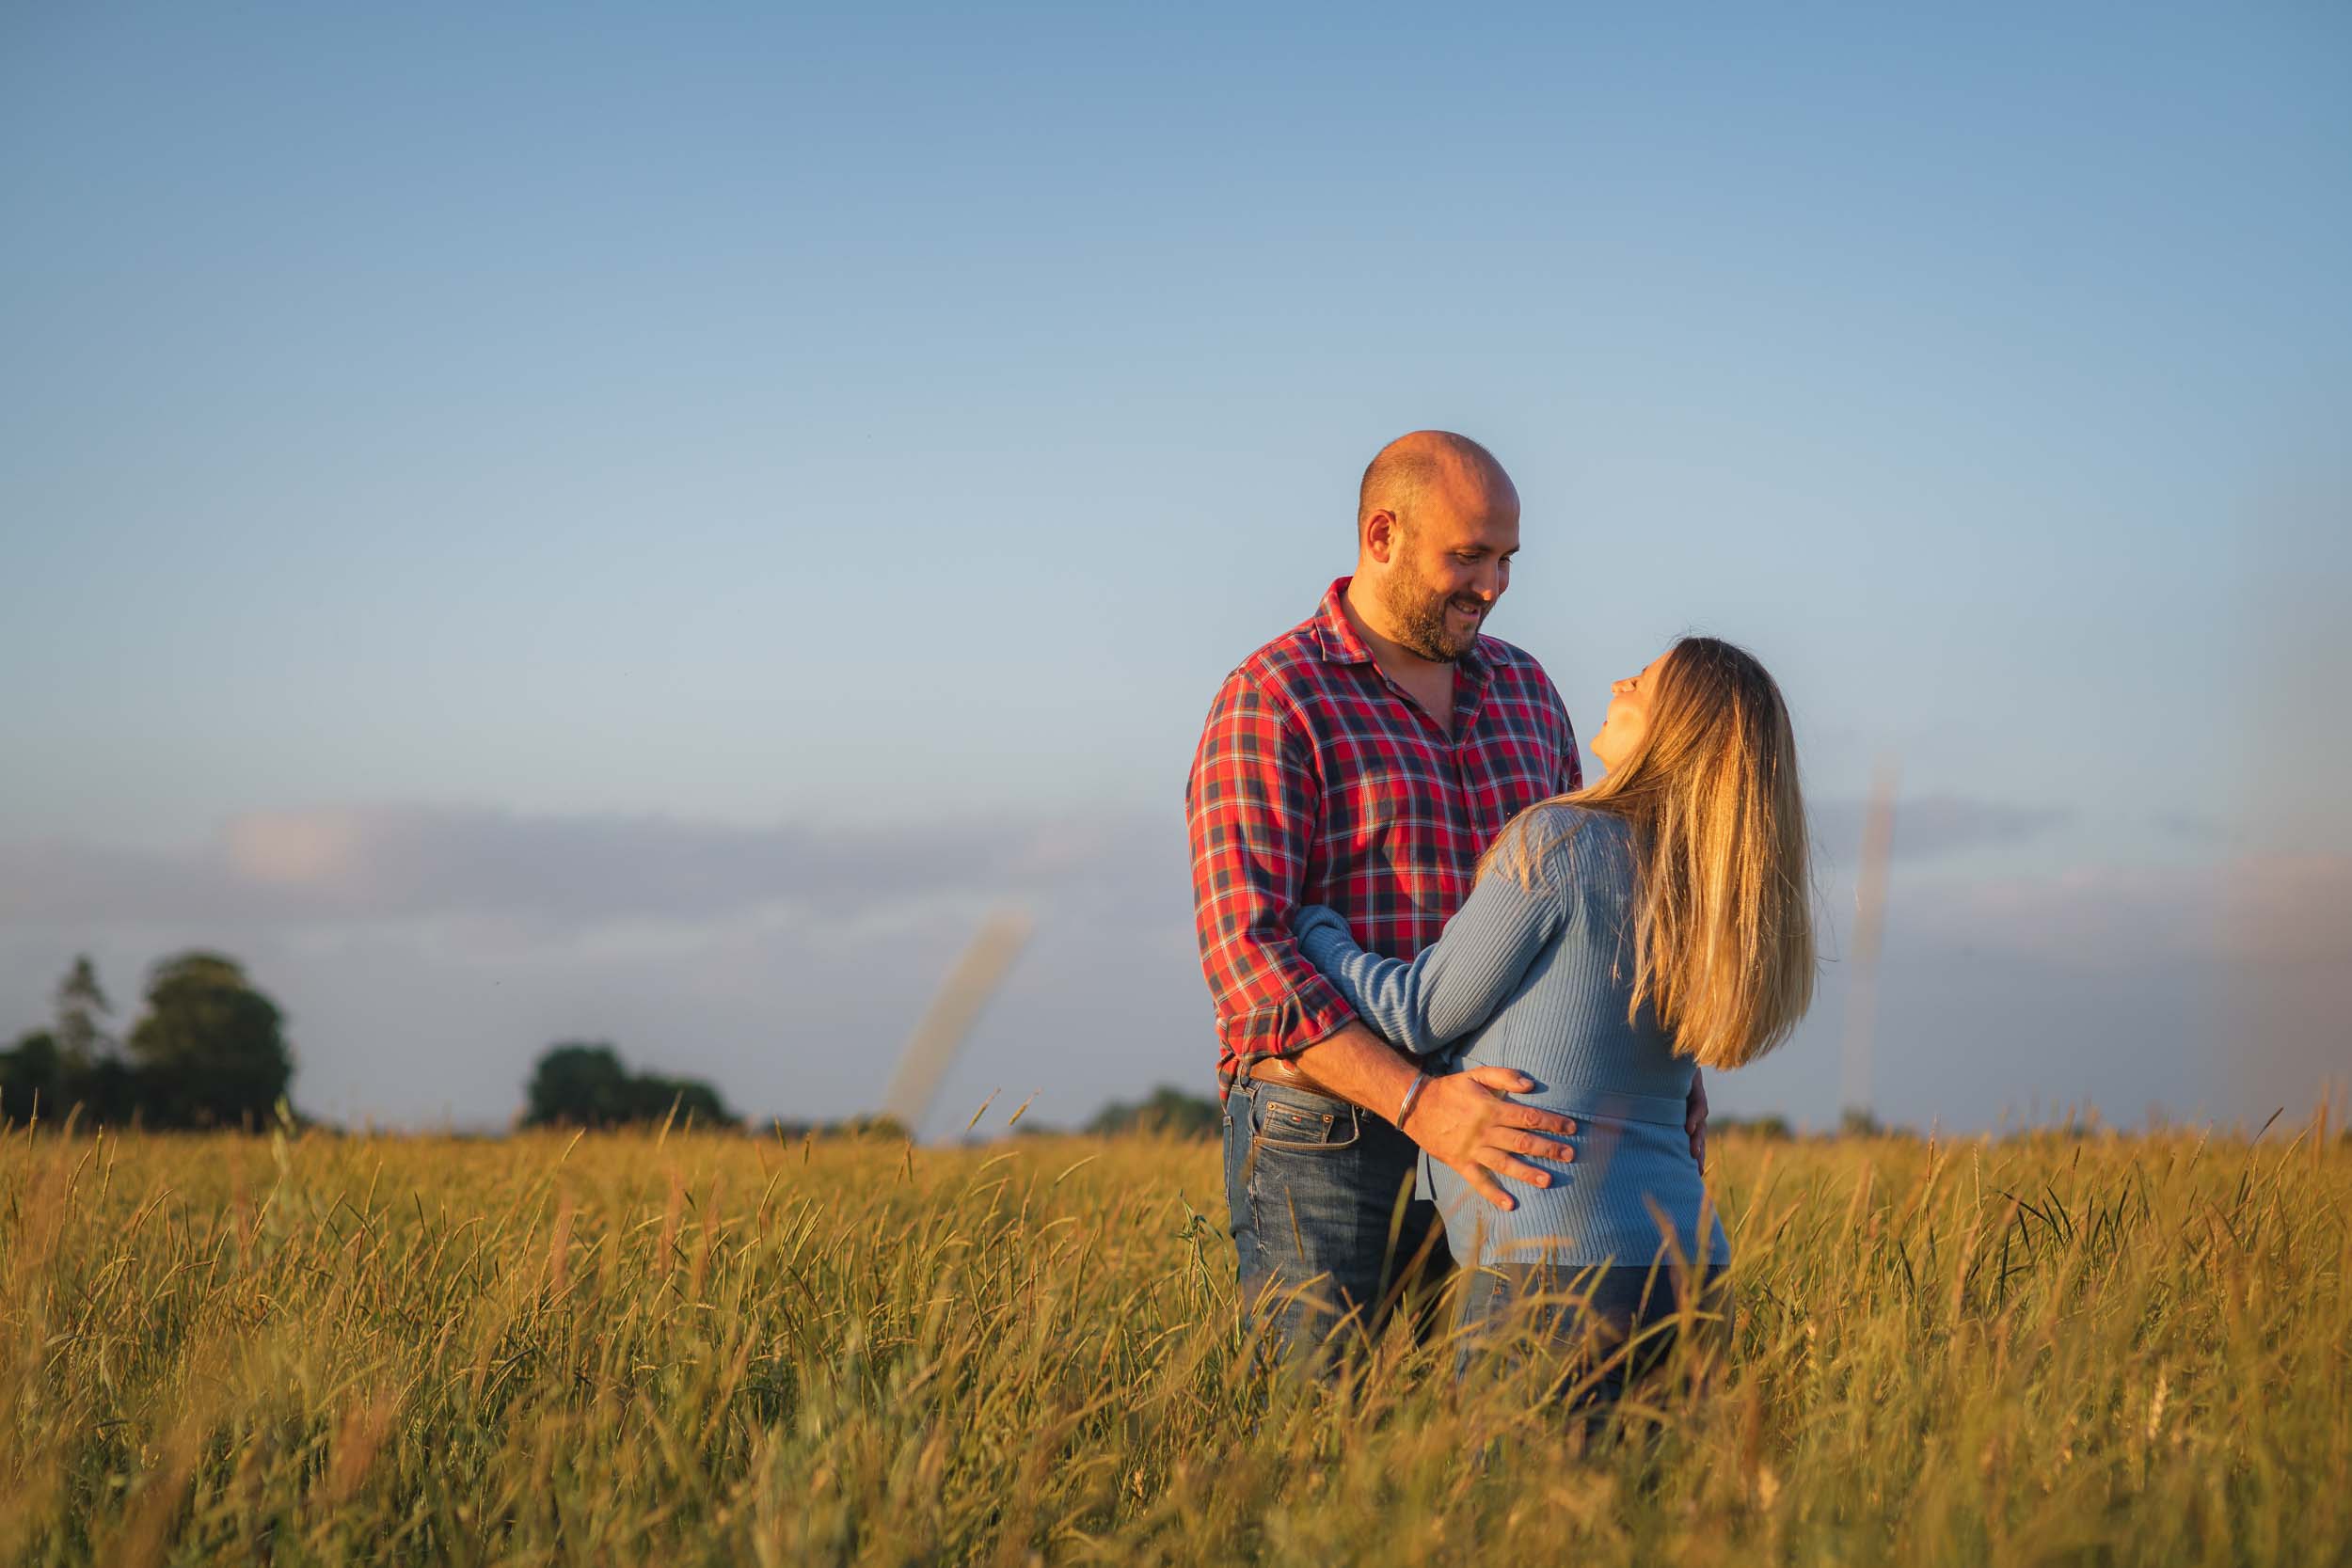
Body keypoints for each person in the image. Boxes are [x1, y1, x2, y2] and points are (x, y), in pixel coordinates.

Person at [1184, 431, 1708, 1364]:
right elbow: (1247, 960)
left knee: (1458, 1464)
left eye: (1506, 559)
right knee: (1323, 1438)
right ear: (1381, 535)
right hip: (1325, 1136)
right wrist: (1420, 1103)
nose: (1493, 585)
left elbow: (1592, 910)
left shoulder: (1526, 692)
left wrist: (1665, 1070)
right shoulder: (1272, 696)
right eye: (1468, 556)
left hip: (1505, 1140)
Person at [1292, 636, 1816, 1402]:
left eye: (1643, 681)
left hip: (1554, 1275)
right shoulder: (1705, 887)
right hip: (1690, 1270)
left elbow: (1416, 1012)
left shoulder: (1560, 841)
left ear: (1678, 727)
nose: (1618, 682)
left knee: (1515, 1521)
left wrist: (1315, 931)